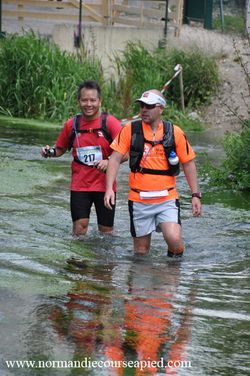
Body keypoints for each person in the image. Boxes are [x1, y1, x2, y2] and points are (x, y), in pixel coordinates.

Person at [104, 89, 202, 257]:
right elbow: (114, 159)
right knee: (141, 252)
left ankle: (172, 272)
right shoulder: (130, 130)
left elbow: (188, 163)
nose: (143, 109)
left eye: (149, 106)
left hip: (167, 198)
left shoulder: (175, 132)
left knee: (174, 238)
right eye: (142, 105)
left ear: (160, 108)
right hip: (138, 200)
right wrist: (108, 189)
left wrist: (195, 194)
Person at [41, 80, 122, 236]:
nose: (88, 104)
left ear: (100, 101)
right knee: (79, 228)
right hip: (80, 185)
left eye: (93, 100)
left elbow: (124, 152)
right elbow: (60, 149)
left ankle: (103, 259)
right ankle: (78, 260)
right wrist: (49, 152)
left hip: (105, 186)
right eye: (84, 100)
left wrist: (109, 161)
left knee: (106, 232)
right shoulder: (71, 125)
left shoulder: (110, 123)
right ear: (78, 101)